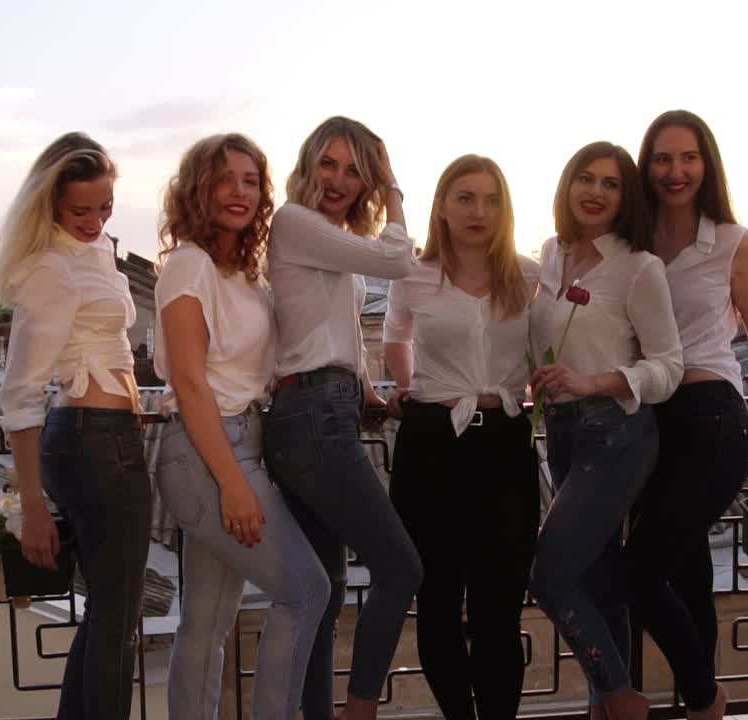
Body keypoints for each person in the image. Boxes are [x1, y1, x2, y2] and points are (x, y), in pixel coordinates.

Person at [626, 109, 748, 720]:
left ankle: (705, 699)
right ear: (646, 167)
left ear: (706, 165)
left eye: (688, 157)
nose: (676, 171)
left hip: (710, 419)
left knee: (636, 573)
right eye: (663, 158)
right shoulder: (630, 237)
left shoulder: (734, 241)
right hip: (644, 422)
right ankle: (694, 702)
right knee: (685, 571)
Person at [152, 133, 329, 720]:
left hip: (238, 441)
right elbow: (189, 381)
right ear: (198, 189)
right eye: (225, 179)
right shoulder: (189, 265)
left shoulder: (244, 274)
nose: (239, 191)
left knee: (206, 624)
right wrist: (232, 483)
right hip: (209, 452)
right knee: (306, 591)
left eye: (250, 181)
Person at [262, 116, 422, 720]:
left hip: (320, 412)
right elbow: (399, 258)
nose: (338, 180)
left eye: (354, 171)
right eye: (328, 164)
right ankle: (360, 709)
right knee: (401, 568)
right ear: (308, 165)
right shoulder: (295, 221)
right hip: (312, 418)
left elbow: (336, 330)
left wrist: (366, 393)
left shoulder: (328, 236)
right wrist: (393, 186)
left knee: (323, 596)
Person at [0, 131, 151, 720]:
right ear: (50, 203)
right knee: (118, 617)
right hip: (92, 441)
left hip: (107, 438)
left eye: (104, 206)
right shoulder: (51, 268)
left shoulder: (96, 252)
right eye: (79, 210)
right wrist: (32, 506)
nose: (94, 221)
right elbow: (19, 394)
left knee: (111, 613)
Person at [527, 141, 683, 720]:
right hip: (561, 431)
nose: (595, 192)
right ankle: (605, 708)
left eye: (611, 184)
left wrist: (592, 381)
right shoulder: (552, 253)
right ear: (568, 185)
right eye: (586, 178)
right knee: (595, 578)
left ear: (625, 198)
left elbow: (668, 368)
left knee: (549, 576)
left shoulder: (640, 268)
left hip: (616, 434)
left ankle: (621, 698)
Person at [384, 154, 540, 720]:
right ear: (442, 207)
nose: (480, 211)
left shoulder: (530, 276)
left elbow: (551, 347)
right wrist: (407, 386)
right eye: (466, 198)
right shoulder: (413, 276)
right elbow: (395, 338)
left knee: (499, 611)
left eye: (492, 199)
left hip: (506, 444)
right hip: (432, 444)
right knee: (438, 603)